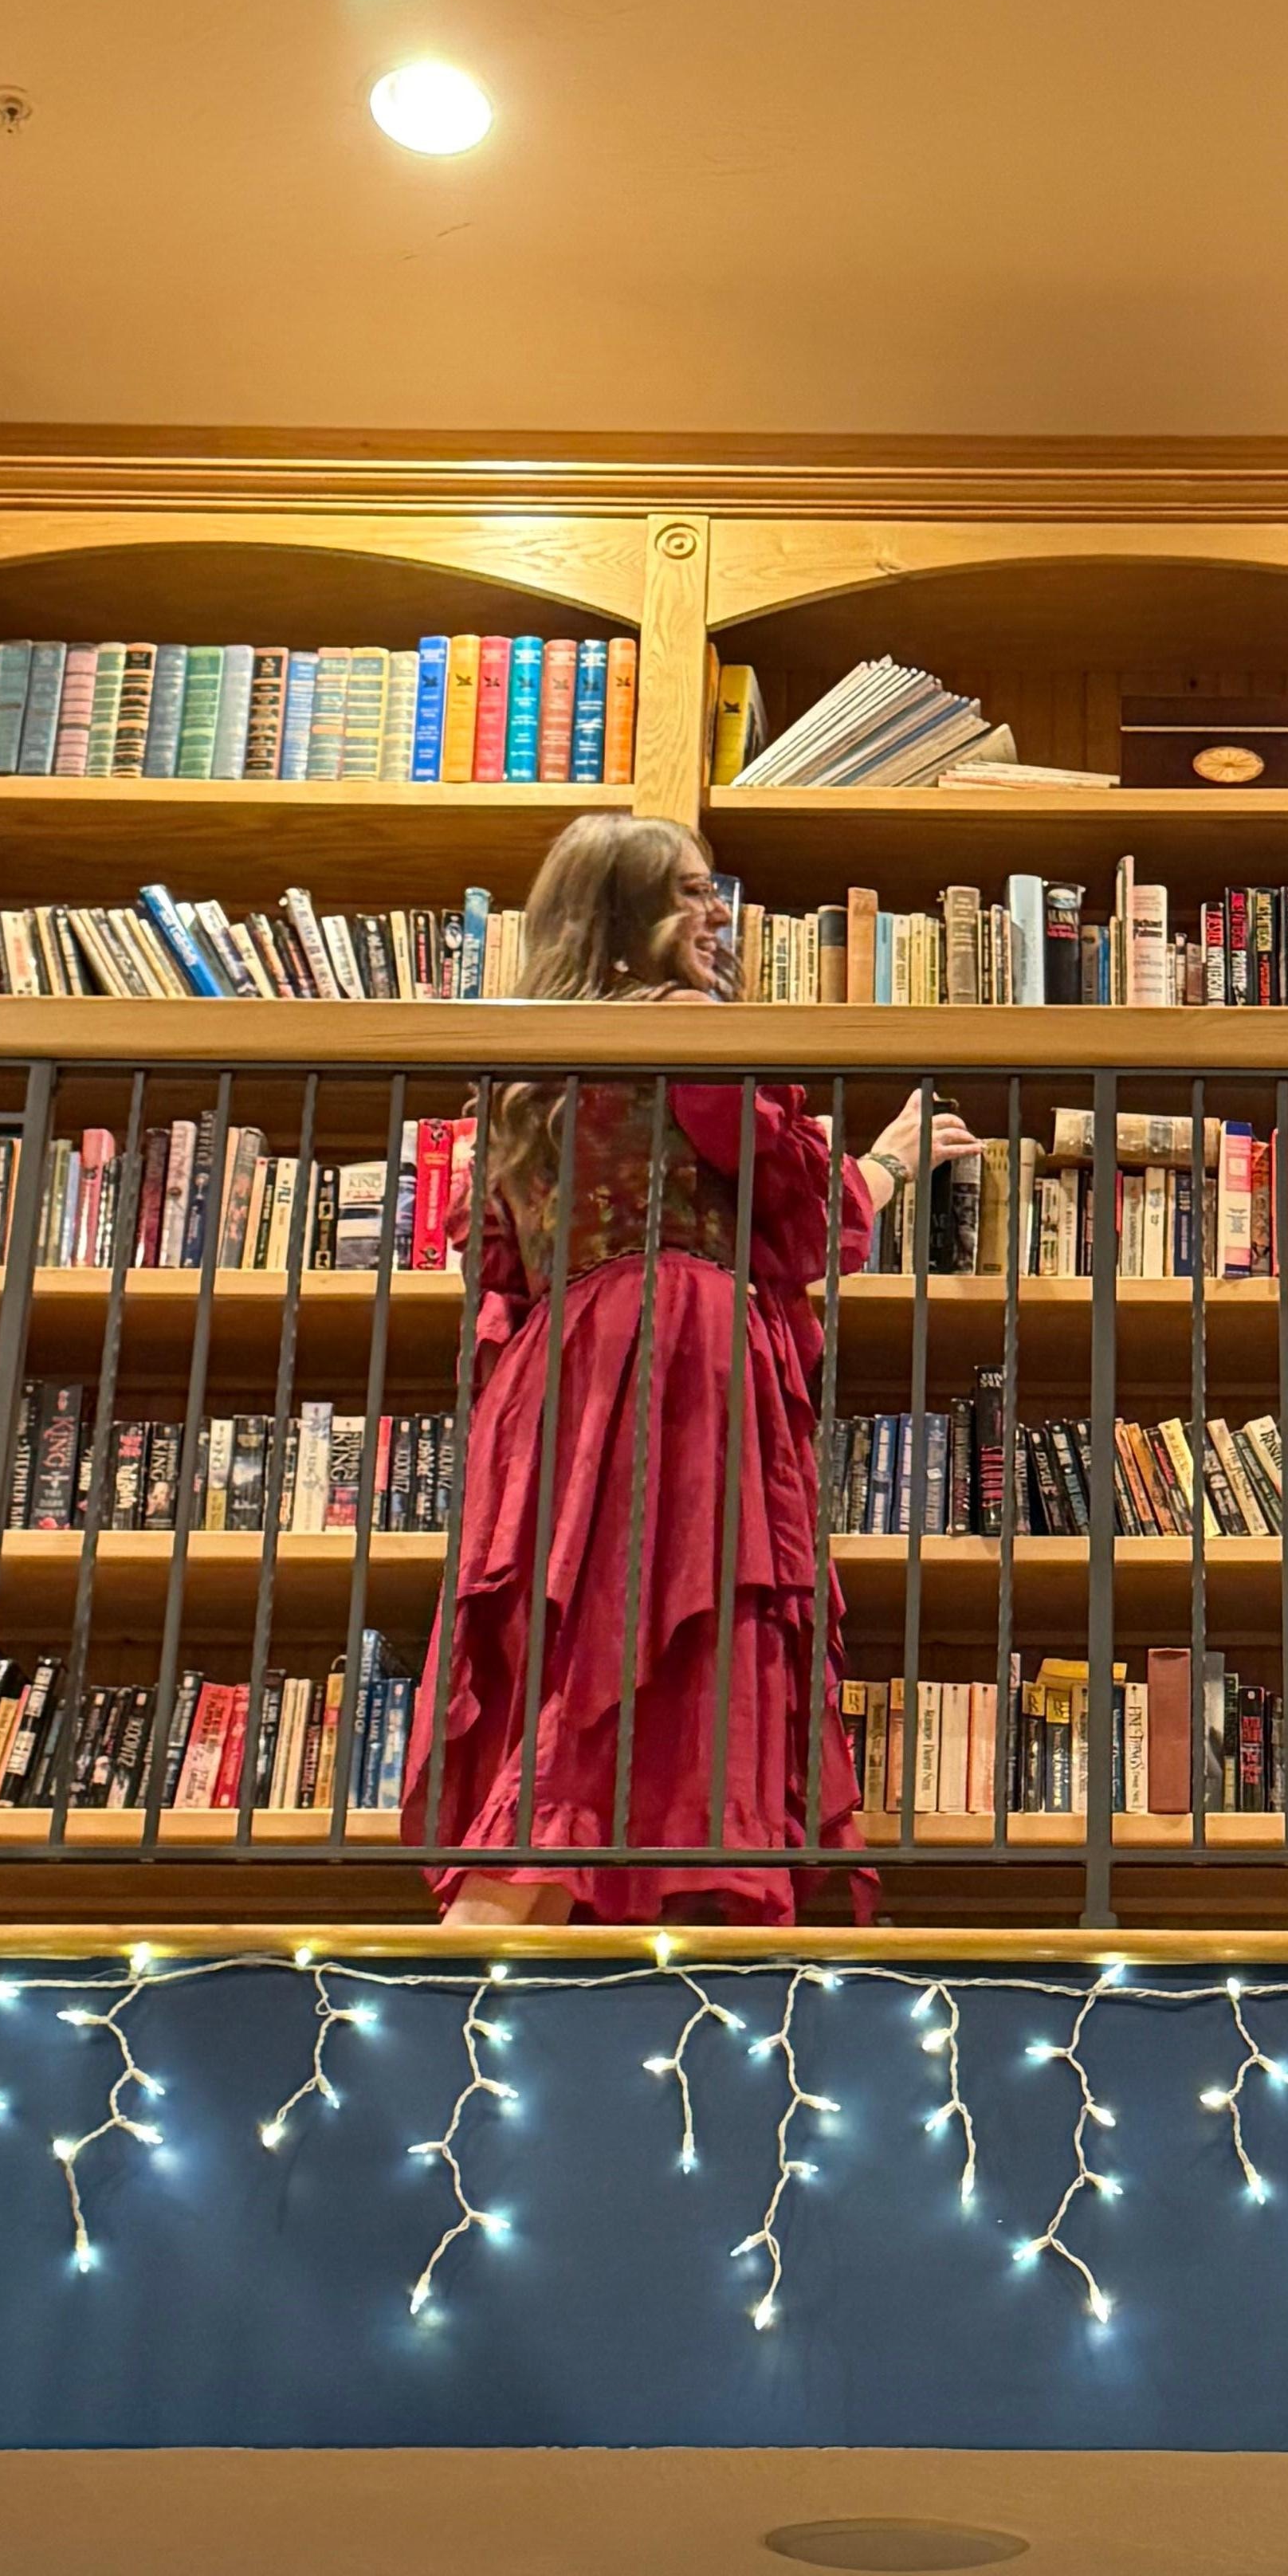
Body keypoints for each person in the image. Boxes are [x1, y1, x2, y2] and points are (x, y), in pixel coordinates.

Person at [405, 811, 974, 1923]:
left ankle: (502, 1949)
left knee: (576, 1656)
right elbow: (800, 1215)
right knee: (665, 1642)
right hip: (672, 1358)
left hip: (557, 1379)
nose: (722, 918)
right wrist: (892, 1163)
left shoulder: (521, 1076)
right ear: (619, 922)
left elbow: (497, 1268)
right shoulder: (682, 1026)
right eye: (691, 895)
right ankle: (537, 1930)